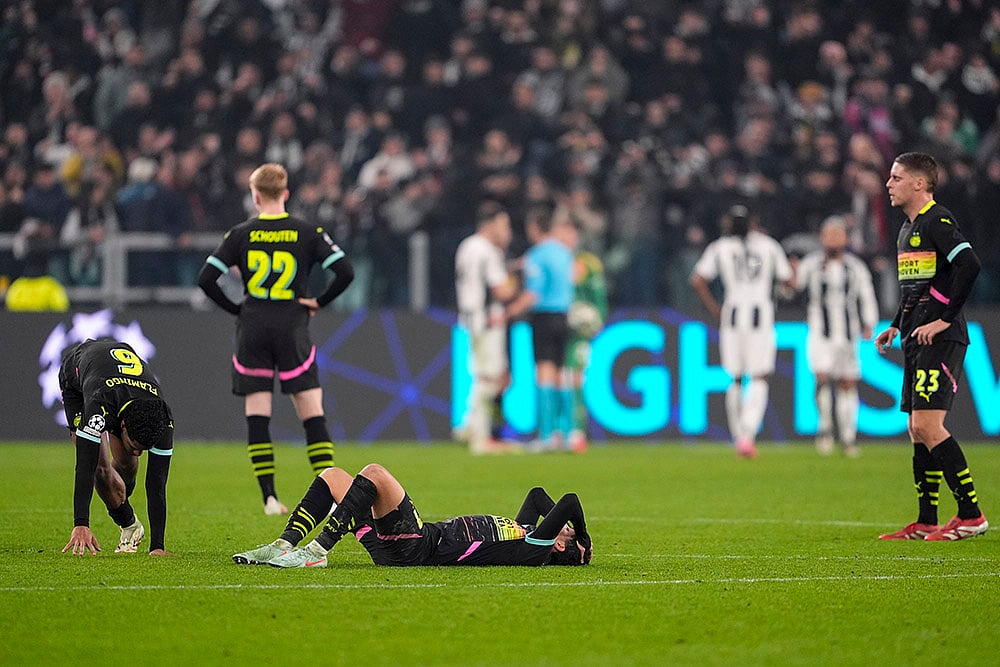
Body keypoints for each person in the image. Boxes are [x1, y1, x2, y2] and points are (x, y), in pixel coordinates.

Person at [198, 163, 354, 515]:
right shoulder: (307, 231)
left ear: (255, 196)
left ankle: (269, 498)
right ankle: (330, 498)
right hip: (292, 326)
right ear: (285, 194)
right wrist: (318, 302)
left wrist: (237, 309)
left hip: (253, 327)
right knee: (312, 412)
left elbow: (206, 279)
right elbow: (346, 272)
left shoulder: (240, 233)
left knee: (258, 413)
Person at [875, 152, 987, 541]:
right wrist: (894, 325)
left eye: (896, 177)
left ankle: (971, 514)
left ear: (919, 184)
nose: (888, 184)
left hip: (941, 336)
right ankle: (926, 520)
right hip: (916, 334)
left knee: (927, 424)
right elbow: (916, 288)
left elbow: (969, 264)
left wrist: (943, 319)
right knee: (915, 428)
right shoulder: (908, 229)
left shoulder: (937, 220)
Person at [232, 463, 591, 567]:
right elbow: (538, 495)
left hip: (417, 546)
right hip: (395, 547)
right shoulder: (525, 528)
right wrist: (574, 536)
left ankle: (317, 551)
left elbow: (570, 501)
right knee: (333, 476)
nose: (560, 527)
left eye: (565, 533)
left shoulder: (535, 548)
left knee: (374, 473)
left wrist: (583, 537)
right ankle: (283, 544)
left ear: (559, 547)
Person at [690, 205, 794, 459]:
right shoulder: (768, 245)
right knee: (758, 376)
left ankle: (739, 436)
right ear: (752, 223)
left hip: (732, 313)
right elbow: (788, 279)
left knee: (735, 377)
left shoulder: (721, 247)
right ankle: (747, 435)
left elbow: (698, 279)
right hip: (760, 314)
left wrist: (714, 307)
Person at [58, 339, 174, 556]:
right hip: (77, 379)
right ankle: (129, 525)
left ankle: (119, 498)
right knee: (100, 471)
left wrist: (158, 547)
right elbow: (84, 466)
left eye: (143, 450)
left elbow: (157, 483)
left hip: (122, 388)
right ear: (121, 426)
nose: (139, 452)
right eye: (135, 445)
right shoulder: (98, 406)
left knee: (127, 463)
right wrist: (81, 523)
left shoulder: (162, 417)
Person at [793, 216, 879, 457]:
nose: (833, 239)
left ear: (846, 239)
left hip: (848, 332)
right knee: (821, 378)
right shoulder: (811, 264)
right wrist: (789, 278)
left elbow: (866, 294)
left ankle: (848, 436)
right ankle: (825, 429)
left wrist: (869, 322)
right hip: (819, 331)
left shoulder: (855, 266)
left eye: (837, 235)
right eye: (829, 235)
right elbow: (794, 287)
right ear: (821, 238)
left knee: (847, 383)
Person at [506, 208, 576, 449]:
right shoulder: (564, 253)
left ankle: (546, 436)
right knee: (561, 374)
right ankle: (567, 435)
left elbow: (532, 294)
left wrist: (510, 311)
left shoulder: (536, 255)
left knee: (544, 373)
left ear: (534, 228)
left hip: (545, 317)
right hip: (565, 315)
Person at [454, 201, 517, 454]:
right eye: (503, 224)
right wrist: (519, 279)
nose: (505, 230)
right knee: (490, 378)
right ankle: (479, 437)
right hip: (489, 319)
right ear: (490, 224)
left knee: (487, 374)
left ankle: (468, 425)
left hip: (470, 317)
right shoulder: (489, 251)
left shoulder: (466, 246)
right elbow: (501, 290)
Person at [562, 221, 609, 453]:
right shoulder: (555, 260)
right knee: (556, 378)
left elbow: (599, 294)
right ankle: (557, 431)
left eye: (569, 232)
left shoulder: (588, 263)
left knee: (576, 378)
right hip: (556, 327)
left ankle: (577, 432)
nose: (565, 237)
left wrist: (597, 318)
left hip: (579, 331)